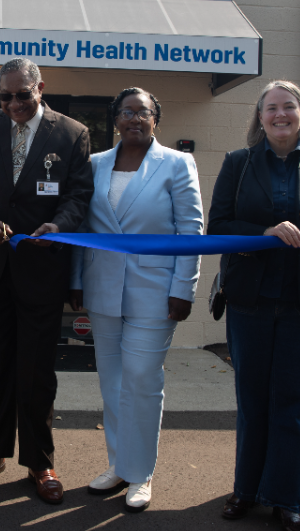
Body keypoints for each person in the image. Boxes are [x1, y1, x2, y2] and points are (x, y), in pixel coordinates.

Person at [208, 80, 300, 531]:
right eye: (271, 107)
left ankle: (287, 497)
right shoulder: (238, 162)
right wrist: (265, 233)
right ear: (260, 115)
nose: (280, 115)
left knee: (294, 402)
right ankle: (246, 490)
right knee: (253, 400)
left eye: (288, 106)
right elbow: (218, 227)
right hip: (250, 299)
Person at [0, 58, 94, 505]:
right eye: (5, 96)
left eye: (22, 94)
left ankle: (39, 461)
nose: (13, 103)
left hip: (41, 271)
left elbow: (78, 196)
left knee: (36, 373)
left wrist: (60, 225)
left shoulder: (71, 133)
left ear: (40, 88)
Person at [68, 87, 204, 513]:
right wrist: (76, 279)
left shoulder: (177, 163)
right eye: (126, 112)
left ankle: (141, 473)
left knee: (142, 379)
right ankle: (118, 465)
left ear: (155, 118)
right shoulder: (94, 164)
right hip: (103, 288)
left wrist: (184, 288)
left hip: (156, 292)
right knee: (112, 382)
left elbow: (191, 230)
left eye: (143, 112)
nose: (134, 119)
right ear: (115, 120)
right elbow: (82, 227)